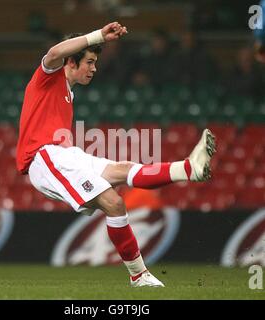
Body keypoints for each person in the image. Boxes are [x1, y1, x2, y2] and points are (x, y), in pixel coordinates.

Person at [16, 22, 216, 287]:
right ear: (71, 62)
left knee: (124, 169)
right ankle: (139, 275)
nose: (94, 68)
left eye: (95, 62)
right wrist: (98, 36)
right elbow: (54, 53)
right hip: (43, 156)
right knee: (115, 203)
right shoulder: (48, 77)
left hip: (64, 154)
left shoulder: (67, 93)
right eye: (89, 61)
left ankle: (188, 169)